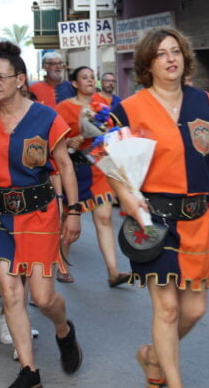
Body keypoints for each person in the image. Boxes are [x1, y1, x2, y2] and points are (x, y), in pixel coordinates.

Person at [109, 28, 209, 388]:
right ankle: (171, 381)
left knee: (195, 309)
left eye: (176, 52)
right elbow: (110, 163)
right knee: (167, 308)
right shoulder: (128, 109)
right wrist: (126, 197)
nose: (171, 59)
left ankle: (152, 357)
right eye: (161, 54)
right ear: (147, 64)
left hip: (197, 217)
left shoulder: (205, 102)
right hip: (153, 219)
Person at [0, 42, 83, 387]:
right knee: (10, 291)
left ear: (20, 79)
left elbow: (64, 164)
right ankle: (29, 372)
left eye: (1, 77)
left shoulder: (46, 117)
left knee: (44, 297)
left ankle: (63, 330)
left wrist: (74, 211)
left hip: (39, 214)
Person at [54, 67, 131, 286]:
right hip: (73, 171)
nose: (89, 81)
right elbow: (54, 140)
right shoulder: (63, 108)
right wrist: (70, 142)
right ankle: (62, 265)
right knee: (67, 220)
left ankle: (113, 272)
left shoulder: (102, 106)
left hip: (98, 168)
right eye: (84, 78)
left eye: (91, 77)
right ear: (75, 84)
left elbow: (112, 133)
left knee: (104, 218)